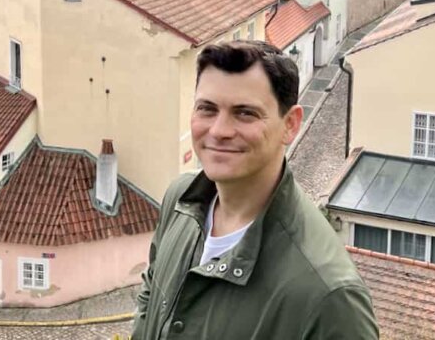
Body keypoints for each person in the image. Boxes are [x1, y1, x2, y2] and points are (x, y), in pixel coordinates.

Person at [133, 41, 378, 339]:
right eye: (207, 109)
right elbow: (150, 293)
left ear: (290, 124)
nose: (219, 130)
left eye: (245, 113)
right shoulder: (180, 199)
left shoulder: (330, 295)